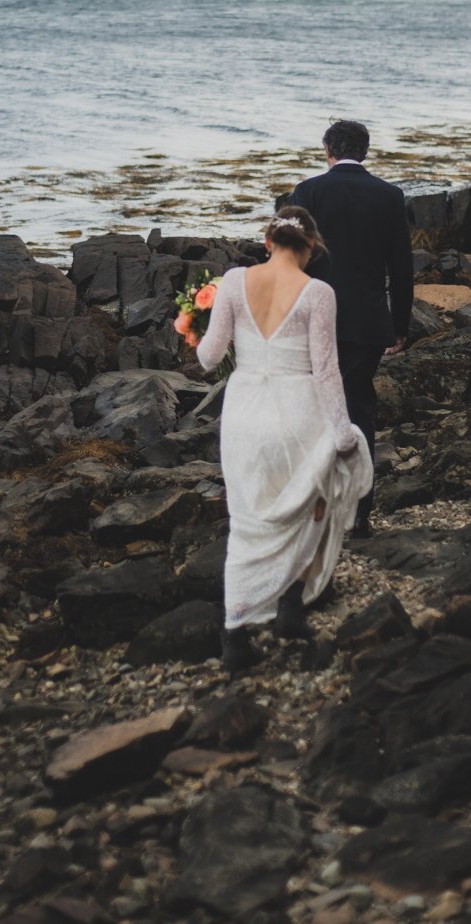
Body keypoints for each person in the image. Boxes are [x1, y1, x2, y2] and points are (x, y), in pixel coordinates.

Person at [196, 207, 373, 675]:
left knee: (249, 514)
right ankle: (290, 609)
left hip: (246, 411)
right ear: (311, 247)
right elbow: (327, 370)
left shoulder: (233, 282)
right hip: (298, 411)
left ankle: (234, 635)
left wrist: (192, 322)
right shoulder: (319, 292)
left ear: (268, 240)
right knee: (308, 502)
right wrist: (342, 432)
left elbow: (209, 358)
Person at [289, 119, 413, 538]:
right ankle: (360, 512)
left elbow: (287, 262)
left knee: (314, 412)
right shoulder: (390, 196)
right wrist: (399, 325)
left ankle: (318, 509)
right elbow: (401, 268)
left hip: (313, 321)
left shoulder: (308, 192)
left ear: (328, 148)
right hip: (368, 322)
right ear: (365, 152)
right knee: (359, 410)